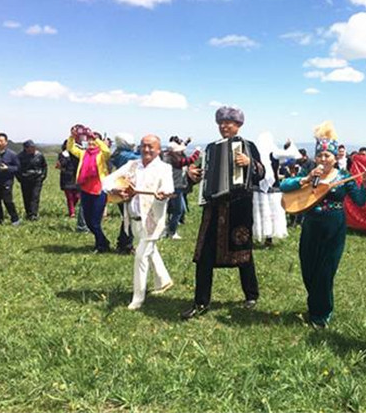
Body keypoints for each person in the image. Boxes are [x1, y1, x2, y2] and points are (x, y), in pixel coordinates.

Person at [280, 121, 366, 328]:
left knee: (325, 270)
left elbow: (360, 201)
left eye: (327, 155)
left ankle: (321, 314)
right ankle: (315, 305)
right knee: (308, 267)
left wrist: (364, 183)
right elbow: (284, 185)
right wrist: (306, 179)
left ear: (335, 157)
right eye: (319, 155)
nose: (323, 159)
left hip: (334, 227)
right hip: (311, 225)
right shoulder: (309, 172)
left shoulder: (344, 177)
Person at [182, 106, 265, 320]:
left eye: (229, 122)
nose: (224, 126)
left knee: (243, 251)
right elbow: (202, 173)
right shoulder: (211, 148)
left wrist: (250, 163)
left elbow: (262, 173)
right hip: (214, 207)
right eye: (221, 122)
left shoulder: (248, 146)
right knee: (204, 254)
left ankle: (251, 294)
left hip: (239, 206)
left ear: (239, 125)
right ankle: (200, 302)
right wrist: (193, 174)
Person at [103, 135, 174, 310]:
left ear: (158, 149)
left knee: (141, 255)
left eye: (151, 147)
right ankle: (163, 280)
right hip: (133, 220)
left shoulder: (164, 168)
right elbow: (107, 181)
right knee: (150, 250)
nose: (147, 150)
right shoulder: (132, 165)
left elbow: (168, 188)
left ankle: (138, 297)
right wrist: (115, 189)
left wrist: (163, 194)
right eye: (144, 146)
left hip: (153, 221)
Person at [66, 126, 111, 253]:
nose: (91, 143)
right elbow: (71, 148)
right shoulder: (83, 153)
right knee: (88, 221)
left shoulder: (102, 155)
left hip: (99, 190)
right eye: (89, 140)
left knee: (95, 222)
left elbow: (106, 150)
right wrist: (72, 137)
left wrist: (95, 138)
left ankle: (101, 245)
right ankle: (103, 241)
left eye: (93, 141)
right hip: (85, 190)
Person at [253, 132, 301, 246]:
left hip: (258, 188)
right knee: (272, 213)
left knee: (260, 213)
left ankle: (262, 236)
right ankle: (268, 239)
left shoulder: (255, 155)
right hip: (273, 188)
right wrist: (290, 144)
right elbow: (295, 155)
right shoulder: (274, 153)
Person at [110, 133, 141, 254]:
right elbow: (138, 158)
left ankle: (124, 243)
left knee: (127, 218)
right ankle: (125, 245)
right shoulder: (124, 155)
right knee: (129, 218)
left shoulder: (118, 153)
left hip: (122, 188)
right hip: (125, 188)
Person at [16, 140, 47, 221]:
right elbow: (17, 169)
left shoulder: (39, 155)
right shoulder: (20, 156)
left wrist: (42, 176)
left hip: (37, 179)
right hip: (25, 180)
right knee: (27, 197)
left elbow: (44, 166)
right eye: (30, 148)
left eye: (33, 147)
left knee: (35, 196)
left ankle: (33, 214)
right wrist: (20, 178)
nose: (32, 149)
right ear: (25, 148)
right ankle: (28, 213)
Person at [56, 140, 81, 218]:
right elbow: (61, 164)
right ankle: (72, 213)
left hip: (77, 176)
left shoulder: (78, 153)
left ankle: (72, 208)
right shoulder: (63, 154)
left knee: (77, 196)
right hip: (67, 177)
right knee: (69, 196)